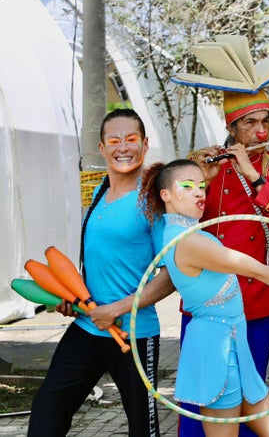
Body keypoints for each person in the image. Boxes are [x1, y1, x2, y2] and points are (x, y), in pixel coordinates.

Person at [139, 159, 269, 437]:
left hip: (234, 343)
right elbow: (256, 270)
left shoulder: (188, 234)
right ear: (166, 195)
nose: (199, 192)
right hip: (216, 349)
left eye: (201, 186)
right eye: (187, 186)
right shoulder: (186, 240)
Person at [28, 109, 175, 437]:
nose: (123, 147)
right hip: (88, 326)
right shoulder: (99, 193)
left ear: (145, 144)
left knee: (144, 428)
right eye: (114, 140)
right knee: (48, 410)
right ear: (102, 148)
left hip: (133, 334)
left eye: (131, 139)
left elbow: (170, 276)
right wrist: (73, 300)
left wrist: (116, 309)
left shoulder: (153, 200)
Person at [183, 89, 269, 437]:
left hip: (253, 301)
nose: (260, 131)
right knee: (200, 394)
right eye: (250, 123)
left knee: (249, 395)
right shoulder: (202, 163)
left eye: (266, 121)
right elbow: (177, 224)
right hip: (204, 301)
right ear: (231, 127)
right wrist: (202, 179)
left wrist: (253, 174)